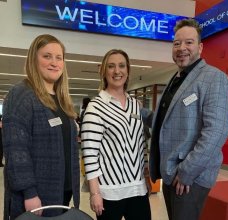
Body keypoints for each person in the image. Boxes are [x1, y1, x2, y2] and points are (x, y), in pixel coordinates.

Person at [141, 18, 228, 220]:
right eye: (176, 43)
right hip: (171, 172)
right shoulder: (176, 79)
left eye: (188, 42)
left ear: (200, 47)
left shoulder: (214, 78)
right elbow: (165, 123)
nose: (182, 48)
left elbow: (216, 132)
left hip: (190, 177)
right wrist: (136, 111)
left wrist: (186, 172)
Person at [2, 34, 80, 220]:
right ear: (33, 59)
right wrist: (29, 192)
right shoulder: (21, 95)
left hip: (61, 191)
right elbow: (16, 150)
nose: (54, 62)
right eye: (47, 56)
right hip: (36, 197)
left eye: (59, 57)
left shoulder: (61, 100)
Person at [81, 49, 151, 220]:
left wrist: (146, 174)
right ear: (104, 71)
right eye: (111, 66)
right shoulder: (95, 107)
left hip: (137, 188)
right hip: (109, 192)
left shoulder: (135, 104)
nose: (117, 71)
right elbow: (90, 154)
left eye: (121, 66)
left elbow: (140, 143)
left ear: (128, 70)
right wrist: (94, 192)